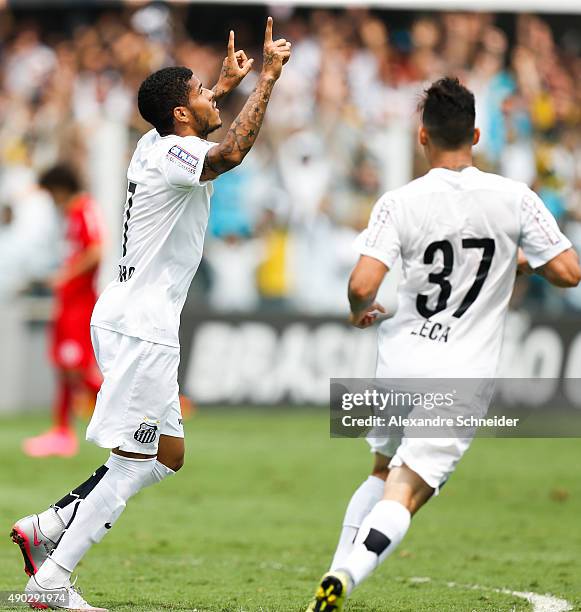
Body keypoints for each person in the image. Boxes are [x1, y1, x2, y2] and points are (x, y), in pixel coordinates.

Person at [11, 18, 291, 611]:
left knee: (165, 457)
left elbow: (198, 116)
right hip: (143, 325)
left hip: (131, 316)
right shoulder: (179, 154)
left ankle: (48, 525)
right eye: (198, 94)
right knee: (134, 458)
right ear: (183, 116)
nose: (208, 99)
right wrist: (266, 80)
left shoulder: (153, 141)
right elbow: (232, 150)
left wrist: (217, 85)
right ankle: (51, 580)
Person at [305, 77, 581, 612]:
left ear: (422, 135)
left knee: (382, 470)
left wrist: (358, 313)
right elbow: (569, 272)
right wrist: (515, 262)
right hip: (459, 375)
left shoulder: (399, 201)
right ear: (476, 133)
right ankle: (344, 576)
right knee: (405, 491)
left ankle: (333, 570)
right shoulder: (514, 197)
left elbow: (363, 285)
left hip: (400, 360)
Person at [22, 165, 103, 458]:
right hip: (68, 302)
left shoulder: (84, 210)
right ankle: (61, 432)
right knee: (65, 368)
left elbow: (96, 251)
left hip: (80, 304)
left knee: (76, 368)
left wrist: (65, 276)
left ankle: (131, 415)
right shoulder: (71, 214)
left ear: (59, 188)